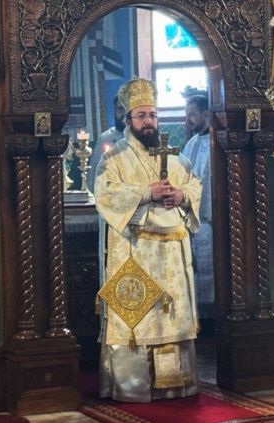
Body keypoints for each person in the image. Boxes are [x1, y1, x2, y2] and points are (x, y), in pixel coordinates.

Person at [93, 78, 202, 402]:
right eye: (141, 116)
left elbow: (194, 183)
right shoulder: (114, 158)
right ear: (128, 119)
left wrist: (182, 195)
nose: (149, 121)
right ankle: (134, 386)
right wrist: (146, 192)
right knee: (136, 318)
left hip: (171, 255)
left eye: (152, 115)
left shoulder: (175, 156)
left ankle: (175, 384)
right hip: (135, 250)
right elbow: (105, 193)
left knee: (171, 317)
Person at [182, 95, 215, 321]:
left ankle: (211, 316)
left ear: (205, 114)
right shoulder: (191, 143)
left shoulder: (217, 142)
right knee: (193, 267)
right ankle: (196, 317)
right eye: (187, 115)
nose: (188, 120)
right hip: (191, 218)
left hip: (210, 218)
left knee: (209, 267)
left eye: (192, 114)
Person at [88, 95, 126, 193]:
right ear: (115, 111)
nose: (124, 114)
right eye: (120, 109)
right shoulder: (105, 138)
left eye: (127, 109)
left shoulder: (142, 138)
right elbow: (94, 171)